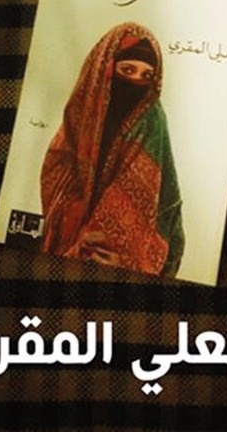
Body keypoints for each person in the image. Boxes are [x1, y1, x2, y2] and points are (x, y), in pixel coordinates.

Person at [40, 24, 185, 276]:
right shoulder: (78, 121)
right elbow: (56, 182)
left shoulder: (151, 120)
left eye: (146, 76)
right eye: (127, 70)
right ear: (103, 70)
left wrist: (111, 247)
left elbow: (143, 207)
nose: (136, 82)